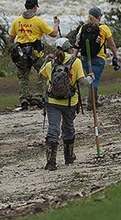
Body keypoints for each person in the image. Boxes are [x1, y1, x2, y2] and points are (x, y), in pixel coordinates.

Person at [38, 37, 91, 170]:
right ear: (69, 49)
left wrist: (46, 60)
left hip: (52, 101)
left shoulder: (51, 64)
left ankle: (51, 162)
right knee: (68, 127)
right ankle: (69, 157)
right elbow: (82, 81)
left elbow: (41, 75)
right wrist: (91, 78)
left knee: (53, 129)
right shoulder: (76, 62)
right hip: (69, 101)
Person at [8, 0, 60, 110]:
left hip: (21, 54)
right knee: (43, 73)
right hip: (36, 54)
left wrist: (13, 52)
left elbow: (11, 39)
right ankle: (37, 95)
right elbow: (54, 34)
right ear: (35, 7)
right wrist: (56, 24)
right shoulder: (38, 21)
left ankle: (24, 100)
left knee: (23, 78)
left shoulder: (17, 21)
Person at [75, 7, 119, 110]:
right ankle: (91, 104)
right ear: (99, 17)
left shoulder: (83, 28)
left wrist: (74, 57)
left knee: (91, 78)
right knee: (94, 80)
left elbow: (77, 44)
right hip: (98, 59)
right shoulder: (104, 28)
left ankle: (94, 102)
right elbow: (111, 44)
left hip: (85, 58)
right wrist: (115, 56)